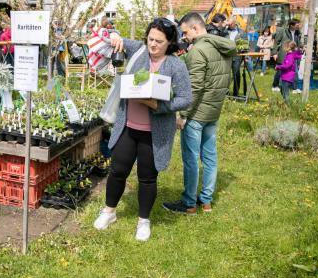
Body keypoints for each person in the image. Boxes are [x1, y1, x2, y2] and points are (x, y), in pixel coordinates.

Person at [93, 18, 193, 241]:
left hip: (154, 133)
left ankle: (143, 221)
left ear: (170, 42)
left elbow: (186, 98)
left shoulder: (176, 65)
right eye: (150, 39)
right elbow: (110, 38)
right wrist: (115, 35)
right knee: (118, 171)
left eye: (159, 41)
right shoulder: (138, 51)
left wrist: (160, 106)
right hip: (127, 127)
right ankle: (109, 212)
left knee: (147, 177)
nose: (153, 44)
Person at [163, 12, 235, 215]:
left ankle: (188, 204)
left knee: (191, 159)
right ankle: (206, 201)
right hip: (213, 110)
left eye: (185, 32)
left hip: (196, 114)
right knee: (210, 157)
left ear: (195, 28)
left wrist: (183, 115)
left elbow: (194, 87)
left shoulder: (198, 51)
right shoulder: (220, 47)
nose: (184, 36)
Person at [271, 19, 301, 92]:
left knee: (295, 71)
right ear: (291, 25)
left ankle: (294, 88)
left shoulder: (298, 33)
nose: (299, 26)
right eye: (297, 25)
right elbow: (276, 42)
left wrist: (299, 54)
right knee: (280, 71)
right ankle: (275, 85)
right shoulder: (283, 31)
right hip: (284, 54)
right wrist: (274, 53)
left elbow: (298, 44)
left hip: (293, 55)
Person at [226, 19, 245, 97]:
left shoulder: (241, 32)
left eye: (230, 24)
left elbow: (245, 43)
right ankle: (225, 93)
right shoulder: (225, 31)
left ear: (234, 23)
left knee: (236, 74)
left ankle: (235, 94)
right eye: (228, 24)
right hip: (226, 55)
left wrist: (241, 49)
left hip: (237, 56)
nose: (229, 25)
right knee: (226, 75)